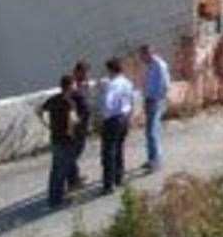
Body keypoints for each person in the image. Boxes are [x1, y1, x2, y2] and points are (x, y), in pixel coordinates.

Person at [38, 74, 80, 209]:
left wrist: (47, 125)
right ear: (70, 86)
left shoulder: (53, 99)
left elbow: (39, 111)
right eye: (74, 84)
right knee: (63, 169)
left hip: (55, 137)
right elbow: (73, 120)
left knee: (55, 169)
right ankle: (58, 199)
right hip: (67, 140)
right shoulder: (70, 102)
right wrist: (70, 130)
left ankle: (52, 198)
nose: (75, 87)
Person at [98, 56, 135, 193]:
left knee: (108, 152)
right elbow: (131, 101)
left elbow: (108, 104)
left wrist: (103, 117)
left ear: (110, 70)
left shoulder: (112, 85)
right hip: (124, 117)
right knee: (119, 149)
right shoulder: (127, 82)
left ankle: (108, 185)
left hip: (112, 119)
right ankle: (119, 178)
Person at [138, 42, 170, 172]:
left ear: (148, 54)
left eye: (142, 56)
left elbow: (165, 85)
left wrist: (156, 99)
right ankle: (151, 158)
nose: (141, 59)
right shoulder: (150, 65)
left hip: (156, 101)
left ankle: (156, 162)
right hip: (149, 100)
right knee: (149, 132)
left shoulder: (159, 65)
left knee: (152, 132)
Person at [69, 60, 93, 187]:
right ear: (78, 72)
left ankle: (74, 177)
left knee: (78, 149)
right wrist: (74, 123)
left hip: (83, 123)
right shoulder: (72, 86)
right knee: (75, 151)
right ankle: (72, 180)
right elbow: (71, 106)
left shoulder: (81, 84)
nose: (87, 75)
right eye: (85, 73)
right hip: (77, 124)